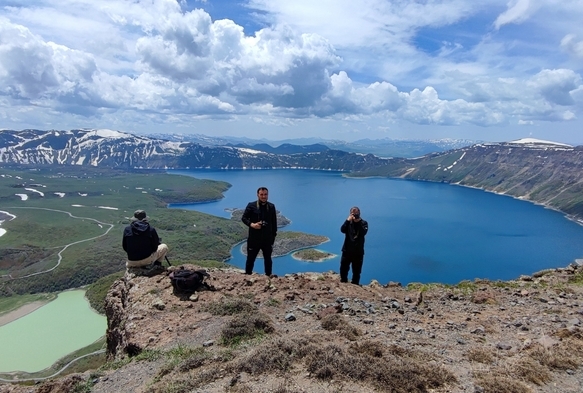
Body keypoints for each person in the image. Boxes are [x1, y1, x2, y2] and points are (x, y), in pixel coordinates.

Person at [241, 187, 277, 276]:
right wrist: (252, 225)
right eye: (261, 194)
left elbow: (274, 224)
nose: (264, 196)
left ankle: (268, 277)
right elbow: (244, 218)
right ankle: (248, 276)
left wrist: (272, 238)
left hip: (267, 240)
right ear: (258, 195)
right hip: (254, 239)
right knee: (250, 259)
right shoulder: (251, 205)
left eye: (265, 194)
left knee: (268, 259)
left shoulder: (271, 207)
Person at [340, 206, 368, 285]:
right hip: (347, 250)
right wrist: (347, 220)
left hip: (358, 252)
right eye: (353, 213)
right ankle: (343, 282)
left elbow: (363, 233)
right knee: (343, 269)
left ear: (359, 213)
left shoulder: (364, 223)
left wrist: (358, 222)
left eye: (356, 213)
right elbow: (342, 230)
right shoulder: (349, 223)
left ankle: (355, 285)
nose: (355, 215)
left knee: (357, 271)